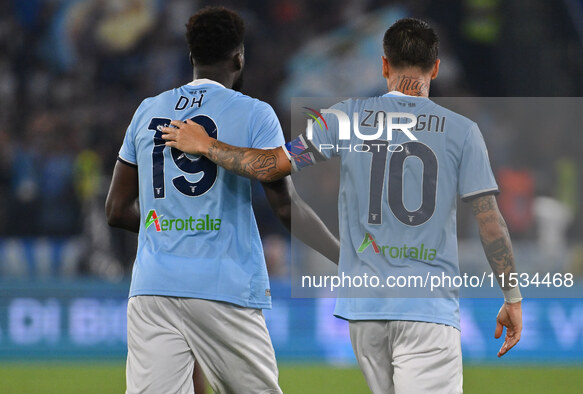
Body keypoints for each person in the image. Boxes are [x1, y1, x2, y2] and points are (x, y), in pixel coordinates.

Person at [161, 18, 523, 394]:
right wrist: (511, 296)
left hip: (365, 312)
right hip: (426, 308)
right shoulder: (462, 131)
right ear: (435, 67)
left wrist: (207, 146)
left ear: (383, 65)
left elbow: (270, 164)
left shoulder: (343, 117)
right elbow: (490, 223)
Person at [105, 6, 338, 394]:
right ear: (239, 56)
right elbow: (285, 204)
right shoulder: (254, 113)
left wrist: (167, 224)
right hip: (223, 285)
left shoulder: (147, 111)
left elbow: (115, 210)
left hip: (153, 288)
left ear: (192, 56)